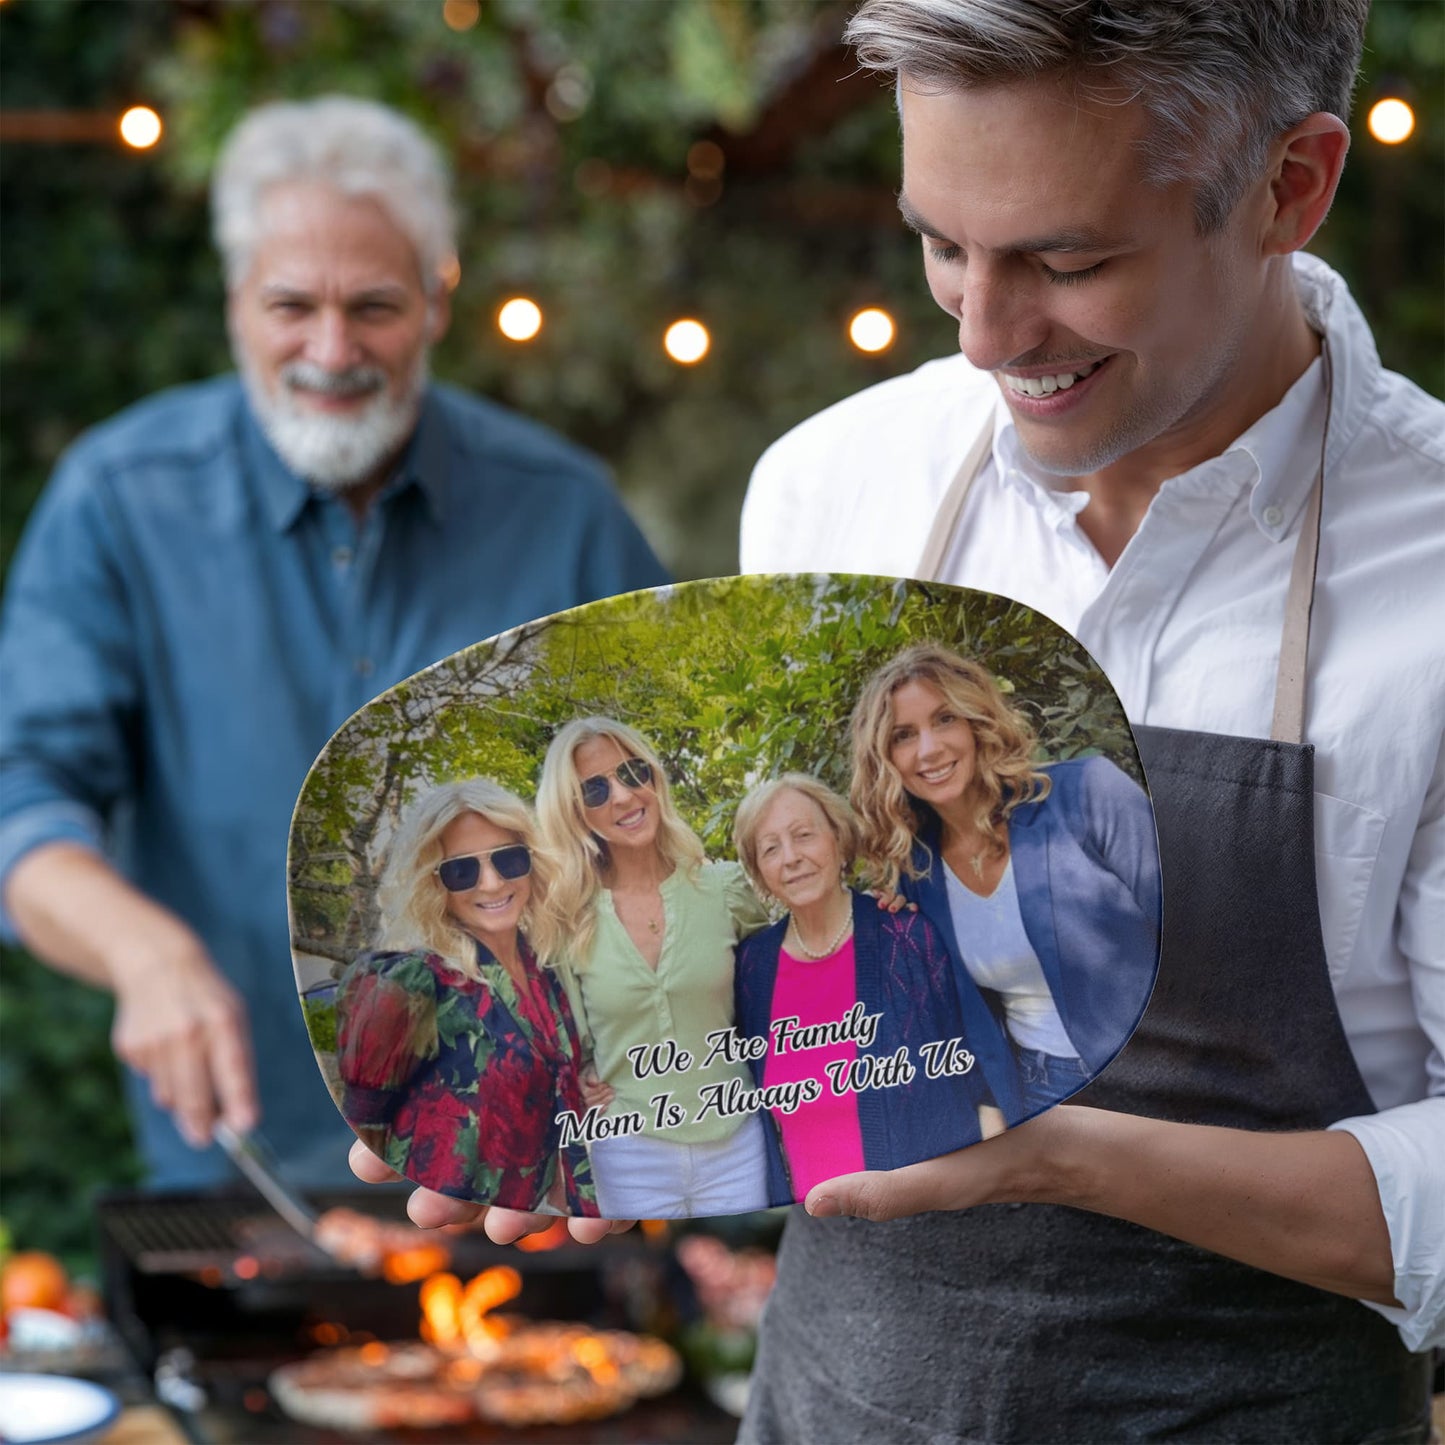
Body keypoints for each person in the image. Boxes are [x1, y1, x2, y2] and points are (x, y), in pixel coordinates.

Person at [729, 0, 1444, 1438]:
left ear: (1289, 188)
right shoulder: (832, 488)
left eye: (1067, 260)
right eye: (941, 244)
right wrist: (587, 1117)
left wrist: (1059, 1157)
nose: (988, 335)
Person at [0, 95, 667, 1191]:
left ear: (439, 297)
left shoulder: (565, 512)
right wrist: (142, 950)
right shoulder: (119, 499)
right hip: (236, 1171)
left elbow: (662, 796)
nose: (331, 348)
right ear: (233, 302)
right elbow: (23, 803)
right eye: (289, 305)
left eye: (373, 306)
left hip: (529, 1167)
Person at [850, 643, 1160, 1116]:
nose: (929, 749)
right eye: (904, 735)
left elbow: (1195, 940)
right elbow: (947, 1018)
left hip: (1153, 1076)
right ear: (886, 758)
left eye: (945, 719)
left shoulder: (1088, 794)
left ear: (976, 722)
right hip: (1039, 1096)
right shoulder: (918, 874)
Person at [532, 716, 772, 1218]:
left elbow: (779, 995)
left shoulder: (725, 889)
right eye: (595, 789)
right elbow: (568, 1043)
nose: (622, 796)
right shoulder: (568, 920)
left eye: (632, 772)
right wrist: (579, 1075)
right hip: (628, 1152)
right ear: (574, 812)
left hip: (738, 1143)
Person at [731, 774, 1006, 1205]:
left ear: (839, 841)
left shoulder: (907, 936)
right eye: (770, 848)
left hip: (934, 1212)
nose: (791, 858)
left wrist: (991, 1191)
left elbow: (980, 1080)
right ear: (761, 874)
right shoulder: (752, 968)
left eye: (804, 835)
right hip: (822, 1233)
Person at [335, 779, 597, 1215]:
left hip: (541, 1218)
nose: (492, 884)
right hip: (446, 1223)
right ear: (433, 883)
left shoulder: (544, 968)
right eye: (462, 870)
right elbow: (367, 1126)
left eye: (509, 860)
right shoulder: (408, 981)